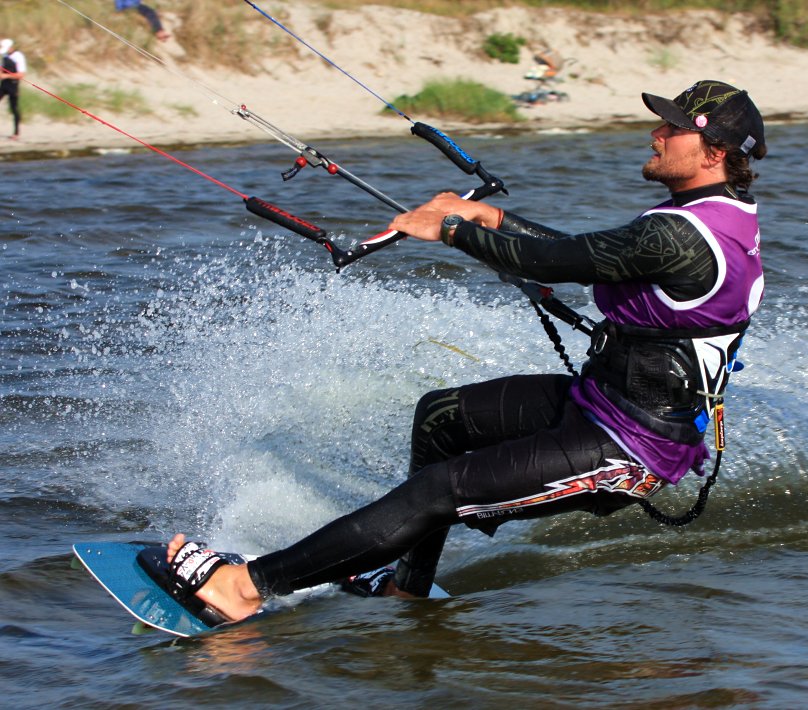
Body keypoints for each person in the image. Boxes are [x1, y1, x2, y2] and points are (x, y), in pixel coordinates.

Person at [165, 79, 767, 623]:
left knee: (437, 493)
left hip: (631, 445)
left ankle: (244, 587)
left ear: (714, 153)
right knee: (441, 419)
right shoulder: (706, 217)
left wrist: (451, 228)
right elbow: (592, 253)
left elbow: (557, 262)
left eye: (674, 128)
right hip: (600, 403)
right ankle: (408, 587)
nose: (657, 133)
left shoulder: (679, 232)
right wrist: (492, 217)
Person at [0, 38, 26, 140]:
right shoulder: (5, 56)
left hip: (13, 85)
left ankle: (16, 133)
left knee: (14, 108)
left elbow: (21, 75)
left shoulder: (18, 57)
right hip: (4, 85)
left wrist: (6, 76)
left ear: (11, 47)